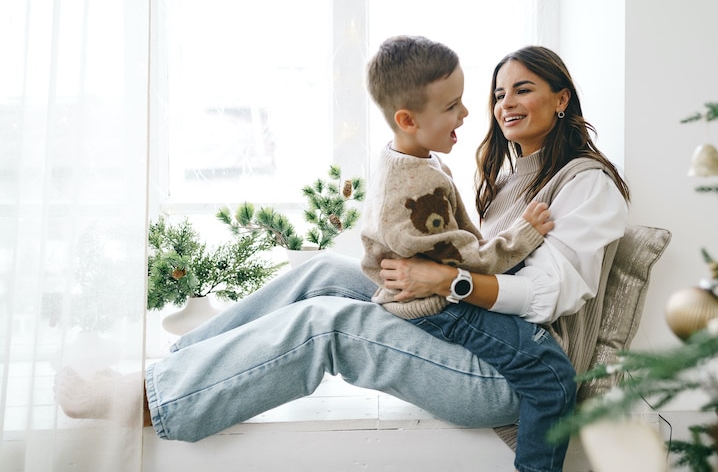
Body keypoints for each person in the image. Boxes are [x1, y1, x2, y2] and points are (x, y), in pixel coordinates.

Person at [55, 44, 629, 472]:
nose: (504, 103)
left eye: (523, 89)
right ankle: (175, 366)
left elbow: (548, 295)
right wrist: (431, 273)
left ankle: (158, 401)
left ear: (562, 98)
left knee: (329, 325)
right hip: (479, 330)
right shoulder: (510, 177)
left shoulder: (585, 184)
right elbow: (475, 257)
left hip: (515, 371)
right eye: (498, 92)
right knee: (325, 271)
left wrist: (444, 280)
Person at [361, 35, 553, 319]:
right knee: (545, 362)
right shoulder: (420, 184)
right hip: (437, 311)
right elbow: (468, 259)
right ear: (408, 121)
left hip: (423, 300)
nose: (465, 112)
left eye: (522, 91)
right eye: (451, 106)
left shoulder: (401, 161)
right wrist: (524, 234)